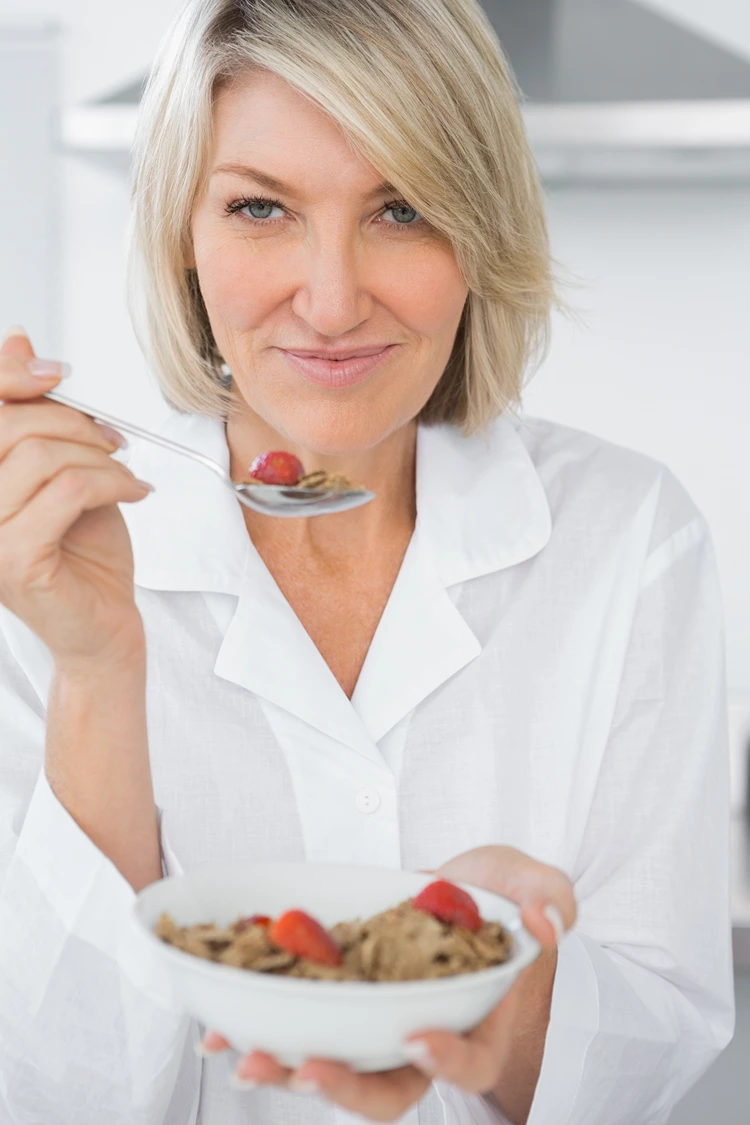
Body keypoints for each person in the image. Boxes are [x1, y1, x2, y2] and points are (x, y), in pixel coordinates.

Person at [0, 0, 733, 1122]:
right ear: (181, 242)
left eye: (401, 208)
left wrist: (513, 984)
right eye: (260, 208)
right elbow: (57, 1095)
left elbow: (657, 1051)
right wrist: (98, 673)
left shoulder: (628, 536)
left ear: (479, 233)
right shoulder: (38, 567)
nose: (334, 302)